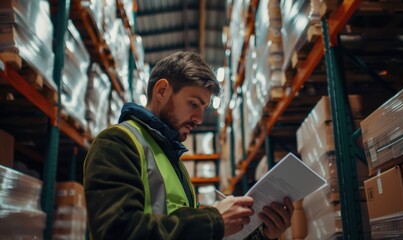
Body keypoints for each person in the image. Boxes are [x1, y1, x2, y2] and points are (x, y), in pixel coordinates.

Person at [84, 51, 294, 240]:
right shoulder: (116, 143)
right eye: (194, 104)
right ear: (162, 90)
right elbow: (116, 232)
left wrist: (264, 235)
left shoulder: (175, 166)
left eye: (203, 108)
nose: (200, 119)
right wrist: (213, 221)